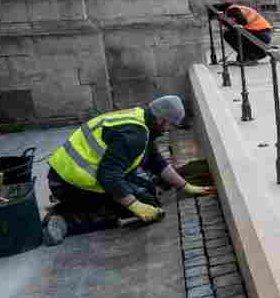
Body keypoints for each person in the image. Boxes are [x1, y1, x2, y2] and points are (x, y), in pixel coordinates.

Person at [42, 95, 213, 245]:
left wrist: (185, 186)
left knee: (147, 194)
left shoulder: (140, 119)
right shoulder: (136, 135)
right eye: (170, 125)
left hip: (68, 177)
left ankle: (75, 205)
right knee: (147, 208)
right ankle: (66, 220)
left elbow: (154, 160)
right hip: (69, 183)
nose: (168, 130)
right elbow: (108, 176)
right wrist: (134, 205)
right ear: (162, 120)